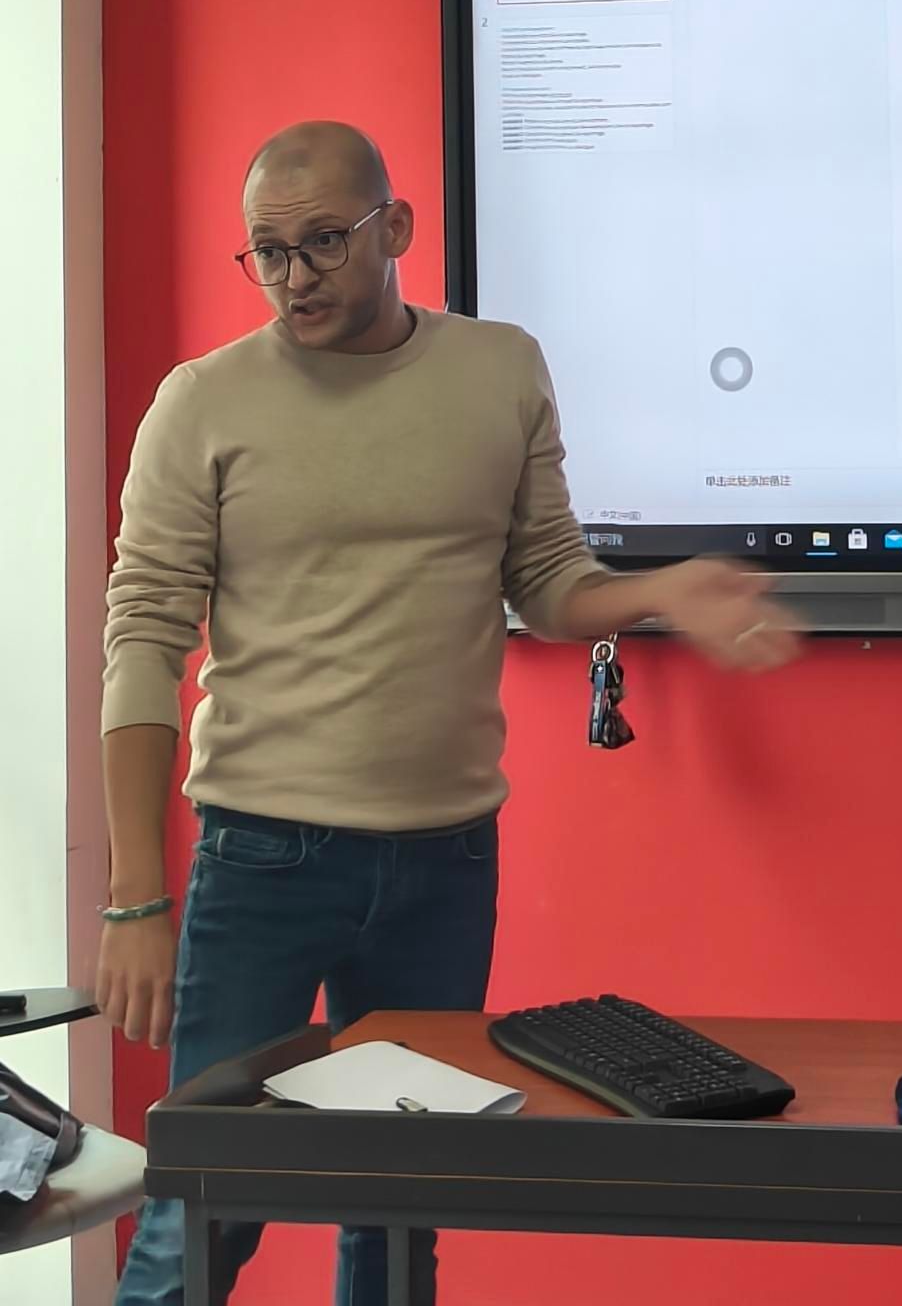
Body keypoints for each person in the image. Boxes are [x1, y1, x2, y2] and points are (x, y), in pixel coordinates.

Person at [100, 121, 798, 1306]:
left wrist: (666, 587)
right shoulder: (202, 403)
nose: (294, 277)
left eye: (325, 242)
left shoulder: (499, 370)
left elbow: (550, 581)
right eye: (267, 251)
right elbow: (142, 638)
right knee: (208, 1206)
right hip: (264, 857)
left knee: (398, 1204)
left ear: (398, 228)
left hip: (443, 859)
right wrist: (133, 897)